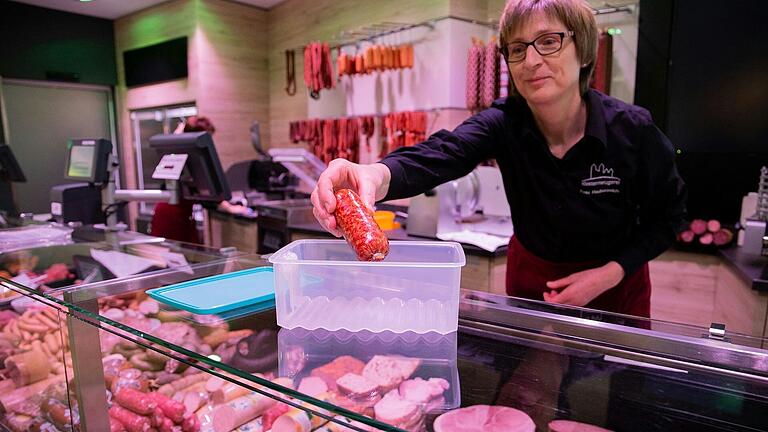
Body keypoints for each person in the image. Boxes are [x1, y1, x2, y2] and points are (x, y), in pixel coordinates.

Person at [310, 0, 686, 317]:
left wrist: (609, 273)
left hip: (614, 288)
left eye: (549, 41)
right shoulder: (504, 122)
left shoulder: (632, 130)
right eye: (517, 49)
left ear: (584, 51)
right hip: (531, 284)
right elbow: (442, 153)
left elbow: (668, 217)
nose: (531, 60)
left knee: (616, 402)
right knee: (524, 395)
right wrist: (373, 175)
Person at [150, 116, 216, 243]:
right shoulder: (189, 157)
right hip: (173, 215)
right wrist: (229, 206)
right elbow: (206, 191)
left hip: (176, 213)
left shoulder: (178, 153)